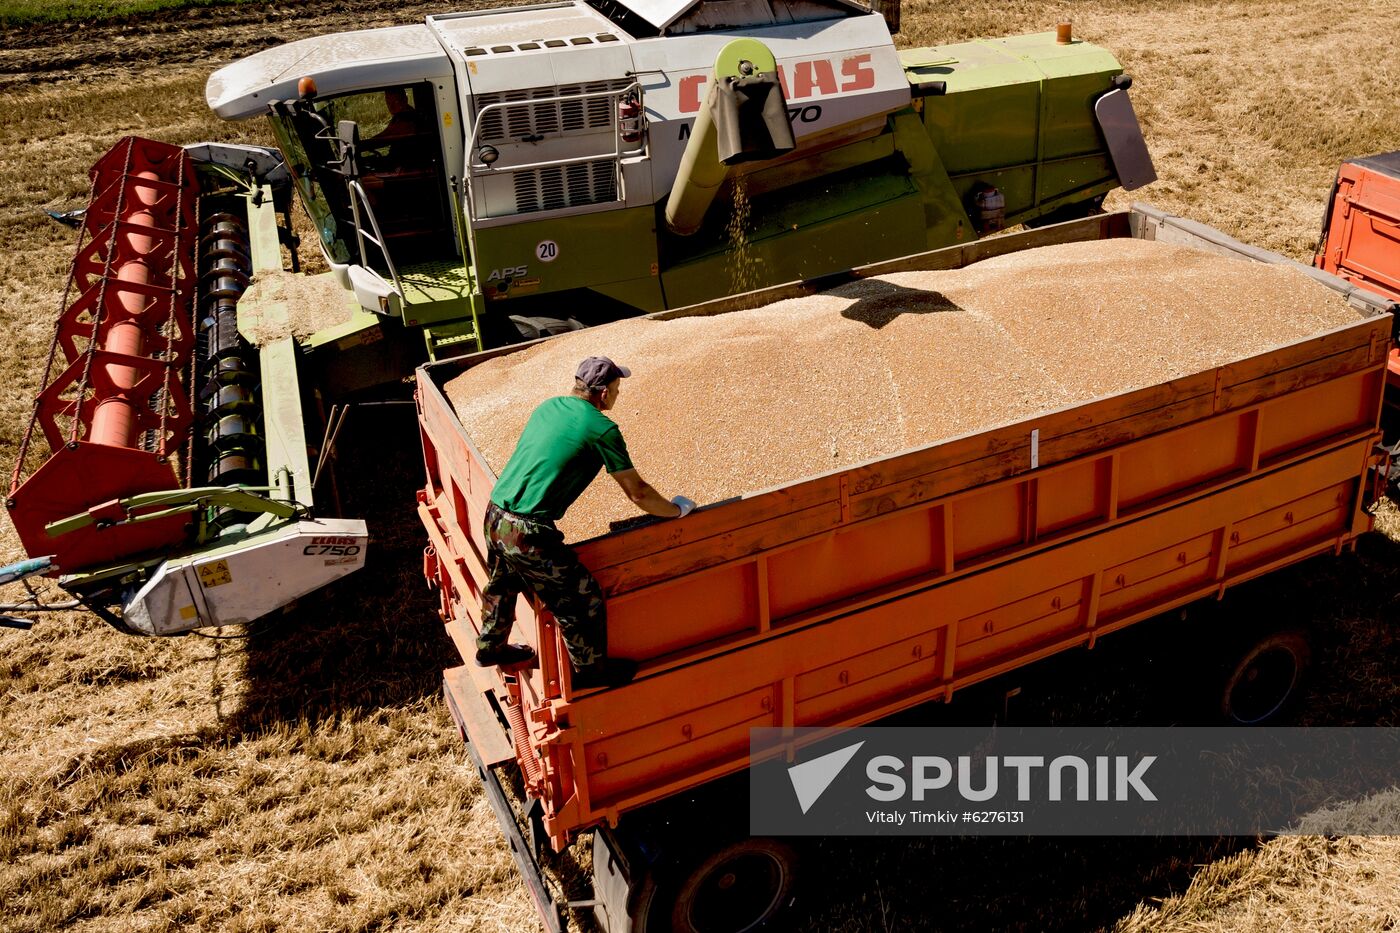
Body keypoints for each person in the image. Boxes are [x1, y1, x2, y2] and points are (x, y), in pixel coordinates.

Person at [476, 356, 696, 690]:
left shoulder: (548, 407)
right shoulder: (602, 428)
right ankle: (592, 673)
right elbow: (637, 493)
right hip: (527, 531)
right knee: (581, 597)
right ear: (604, 393)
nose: (619, 394)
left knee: (502, 582)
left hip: (494, 513)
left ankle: (490, 648)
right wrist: (675, 510)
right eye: (618, 388)